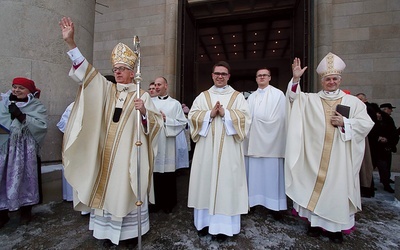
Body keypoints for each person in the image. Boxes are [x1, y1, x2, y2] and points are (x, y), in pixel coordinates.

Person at [59, 17, 162, 247]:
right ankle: (106, 232)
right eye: (115, 69)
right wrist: (71, 43)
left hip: (128, 157)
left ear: (132, 71)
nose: (118, 72)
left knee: (124, 191)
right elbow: (87, 75)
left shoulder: (142, 94)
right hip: (105, 157)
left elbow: (155, 125)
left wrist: (144, 111)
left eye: (123, 69)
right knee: (105, 190)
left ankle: (127, 235)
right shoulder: (107, 90)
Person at [285, 54, 374, 244]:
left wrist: (345, 122)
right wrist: (296, 79)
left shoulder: (353, 103)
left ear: (340, 80)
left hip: (340, 158)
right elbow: (293, 99)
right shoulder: (311, 100)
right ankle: (314, 225)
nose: (331, 82)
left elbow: (366, 125)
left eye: (334, 79)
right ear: (322, 81)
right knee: (312, 187)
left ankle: (336, 230)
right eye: (327, 79)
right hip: (314, 156)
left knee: (337, 192)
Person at [187, 61, 251, 242]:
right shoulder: (203, 96)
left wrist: (226, 114)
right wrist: (209, 114)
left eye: (223, 73)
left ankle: (224, 228)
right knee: (205, 183)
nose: (220, 76)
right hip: (206, 150)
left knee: (227, 185)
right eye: (217, 73)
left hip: (229, 151)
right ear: (212, 75)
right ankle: (204, 224)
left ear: (229, 76)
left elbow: (246, 118)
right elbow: (192, 116)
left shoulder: (237, 97)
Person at [0, 77, 48, 228]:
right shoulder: (3, 103)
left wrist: (22, 116)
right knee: (4, 178)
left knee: (25, 178)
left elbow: (41, 126)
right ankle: (3, 213)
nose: (16, 90)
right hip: (5, 148)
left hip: (25, 150)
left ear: (29, 91)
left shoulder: (36, 106)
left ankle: (26, 211)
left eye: (21, 88)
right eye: (14, 87)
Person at [243, 68, 287, 220]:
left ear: (270, 78)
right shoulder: (251, 97)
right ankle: (253, 202)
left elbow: (281, 117)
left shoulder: (278, 94)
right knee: (253, 175)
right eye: (259, 75)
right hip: (252, 142)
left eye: (264, 75)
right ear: (256, 79)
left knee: (271, 176)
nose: (261, 77)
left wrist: (261, 124)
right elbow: (246, 118)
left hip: (271, 143)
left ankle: (275, 207)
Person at [150, 77, 187, 213]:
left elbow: (182, 122)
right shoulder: (150, 102)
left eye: (159, 84)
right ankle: (154, 203)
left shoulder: (175, 104)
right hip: (153, 142)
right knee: (154, 174)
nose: (157, 87)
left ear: (166, 85)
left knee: (168, 174)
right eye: (155, 84)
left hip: (168, 141)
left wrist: (166, 119)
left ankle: (169, 203)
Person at [368, 103, 398, 193]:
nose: (391, 111)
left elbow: (393, 133)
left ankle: (385, 183)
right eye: (389, 109)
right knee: (370, 168)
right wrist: (378, 138)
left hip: (383, 149)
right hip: (373, 149)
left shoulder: (387, 120)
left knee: (384, 168)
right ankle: (369, 186)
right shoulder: (371, 120)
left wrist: (387, 140)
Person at [355, 93, 376, 197]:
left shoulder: (367, 108)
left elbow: (368, 124)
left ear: (365, 100)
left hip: (364, 140)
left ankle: (367, 190)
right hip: (358, 139)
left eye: (360, 99)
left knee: (364, 169)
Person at [379, 103, 399, 183]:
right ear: (385, 109)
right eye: (390, 109)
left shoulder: (387, 118)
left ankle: (386, 179)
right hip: (383, 147)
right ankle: (385, 181)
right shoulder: (383, 119)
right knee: (384, 165)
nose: (391, 111)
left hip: (387, 145)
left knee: (386, 165)